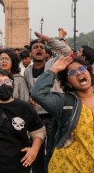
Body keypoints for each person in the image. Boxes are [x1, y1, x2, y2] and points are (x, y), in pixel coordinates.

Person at [31, 56, 94, 172]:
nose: (78, 73)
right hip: (67, 167)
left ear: (88, 72)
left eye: (81, 68)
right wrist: (53, 70)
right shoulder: (63, 102)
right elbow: (38, 94)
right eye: (72, 72)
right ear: (68, 83)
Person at [24, 31, 72, 173]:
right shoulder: (27, 71)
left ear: (46, 54)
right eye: (35, 47)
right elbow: (29, 90)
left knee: (51, 149)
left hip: (53, 115)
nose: (39, 49)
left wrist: (49, 40)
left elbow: (67, 51)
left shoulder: (52, 64)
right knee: (37, 151)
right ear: (30, 53)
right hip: (36, 117)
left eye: (42, 47)